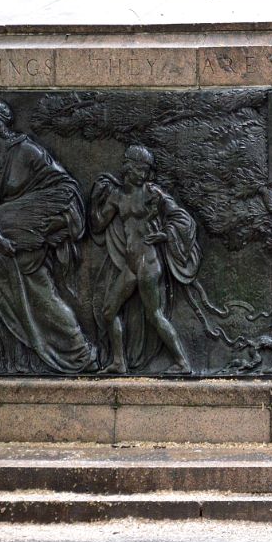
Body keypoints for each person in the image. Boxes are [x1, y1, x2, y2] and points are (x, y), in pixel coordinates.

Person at [0, 100, 95, 373]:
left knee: (43, 298)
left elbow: (64, 187)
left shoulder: (27, 150)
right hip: (6, 240)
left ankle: (81, 352)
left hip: (32, 240)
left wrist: (43, 226)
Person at [91, 145, 197, 374]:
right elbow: (98, 224)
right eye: (141, 169)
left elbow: (182, 219)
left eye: (147, 170)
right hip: (131, 265)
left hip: (148, 263)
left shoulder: (153, 193)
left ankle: (182, 362)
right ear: (129, 167)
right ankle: (119, 362)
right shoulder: (117, 196)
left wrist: (166, 234)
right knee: (109, 312)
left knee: (154, 315)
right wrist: (94, 200)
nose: (145, 174)